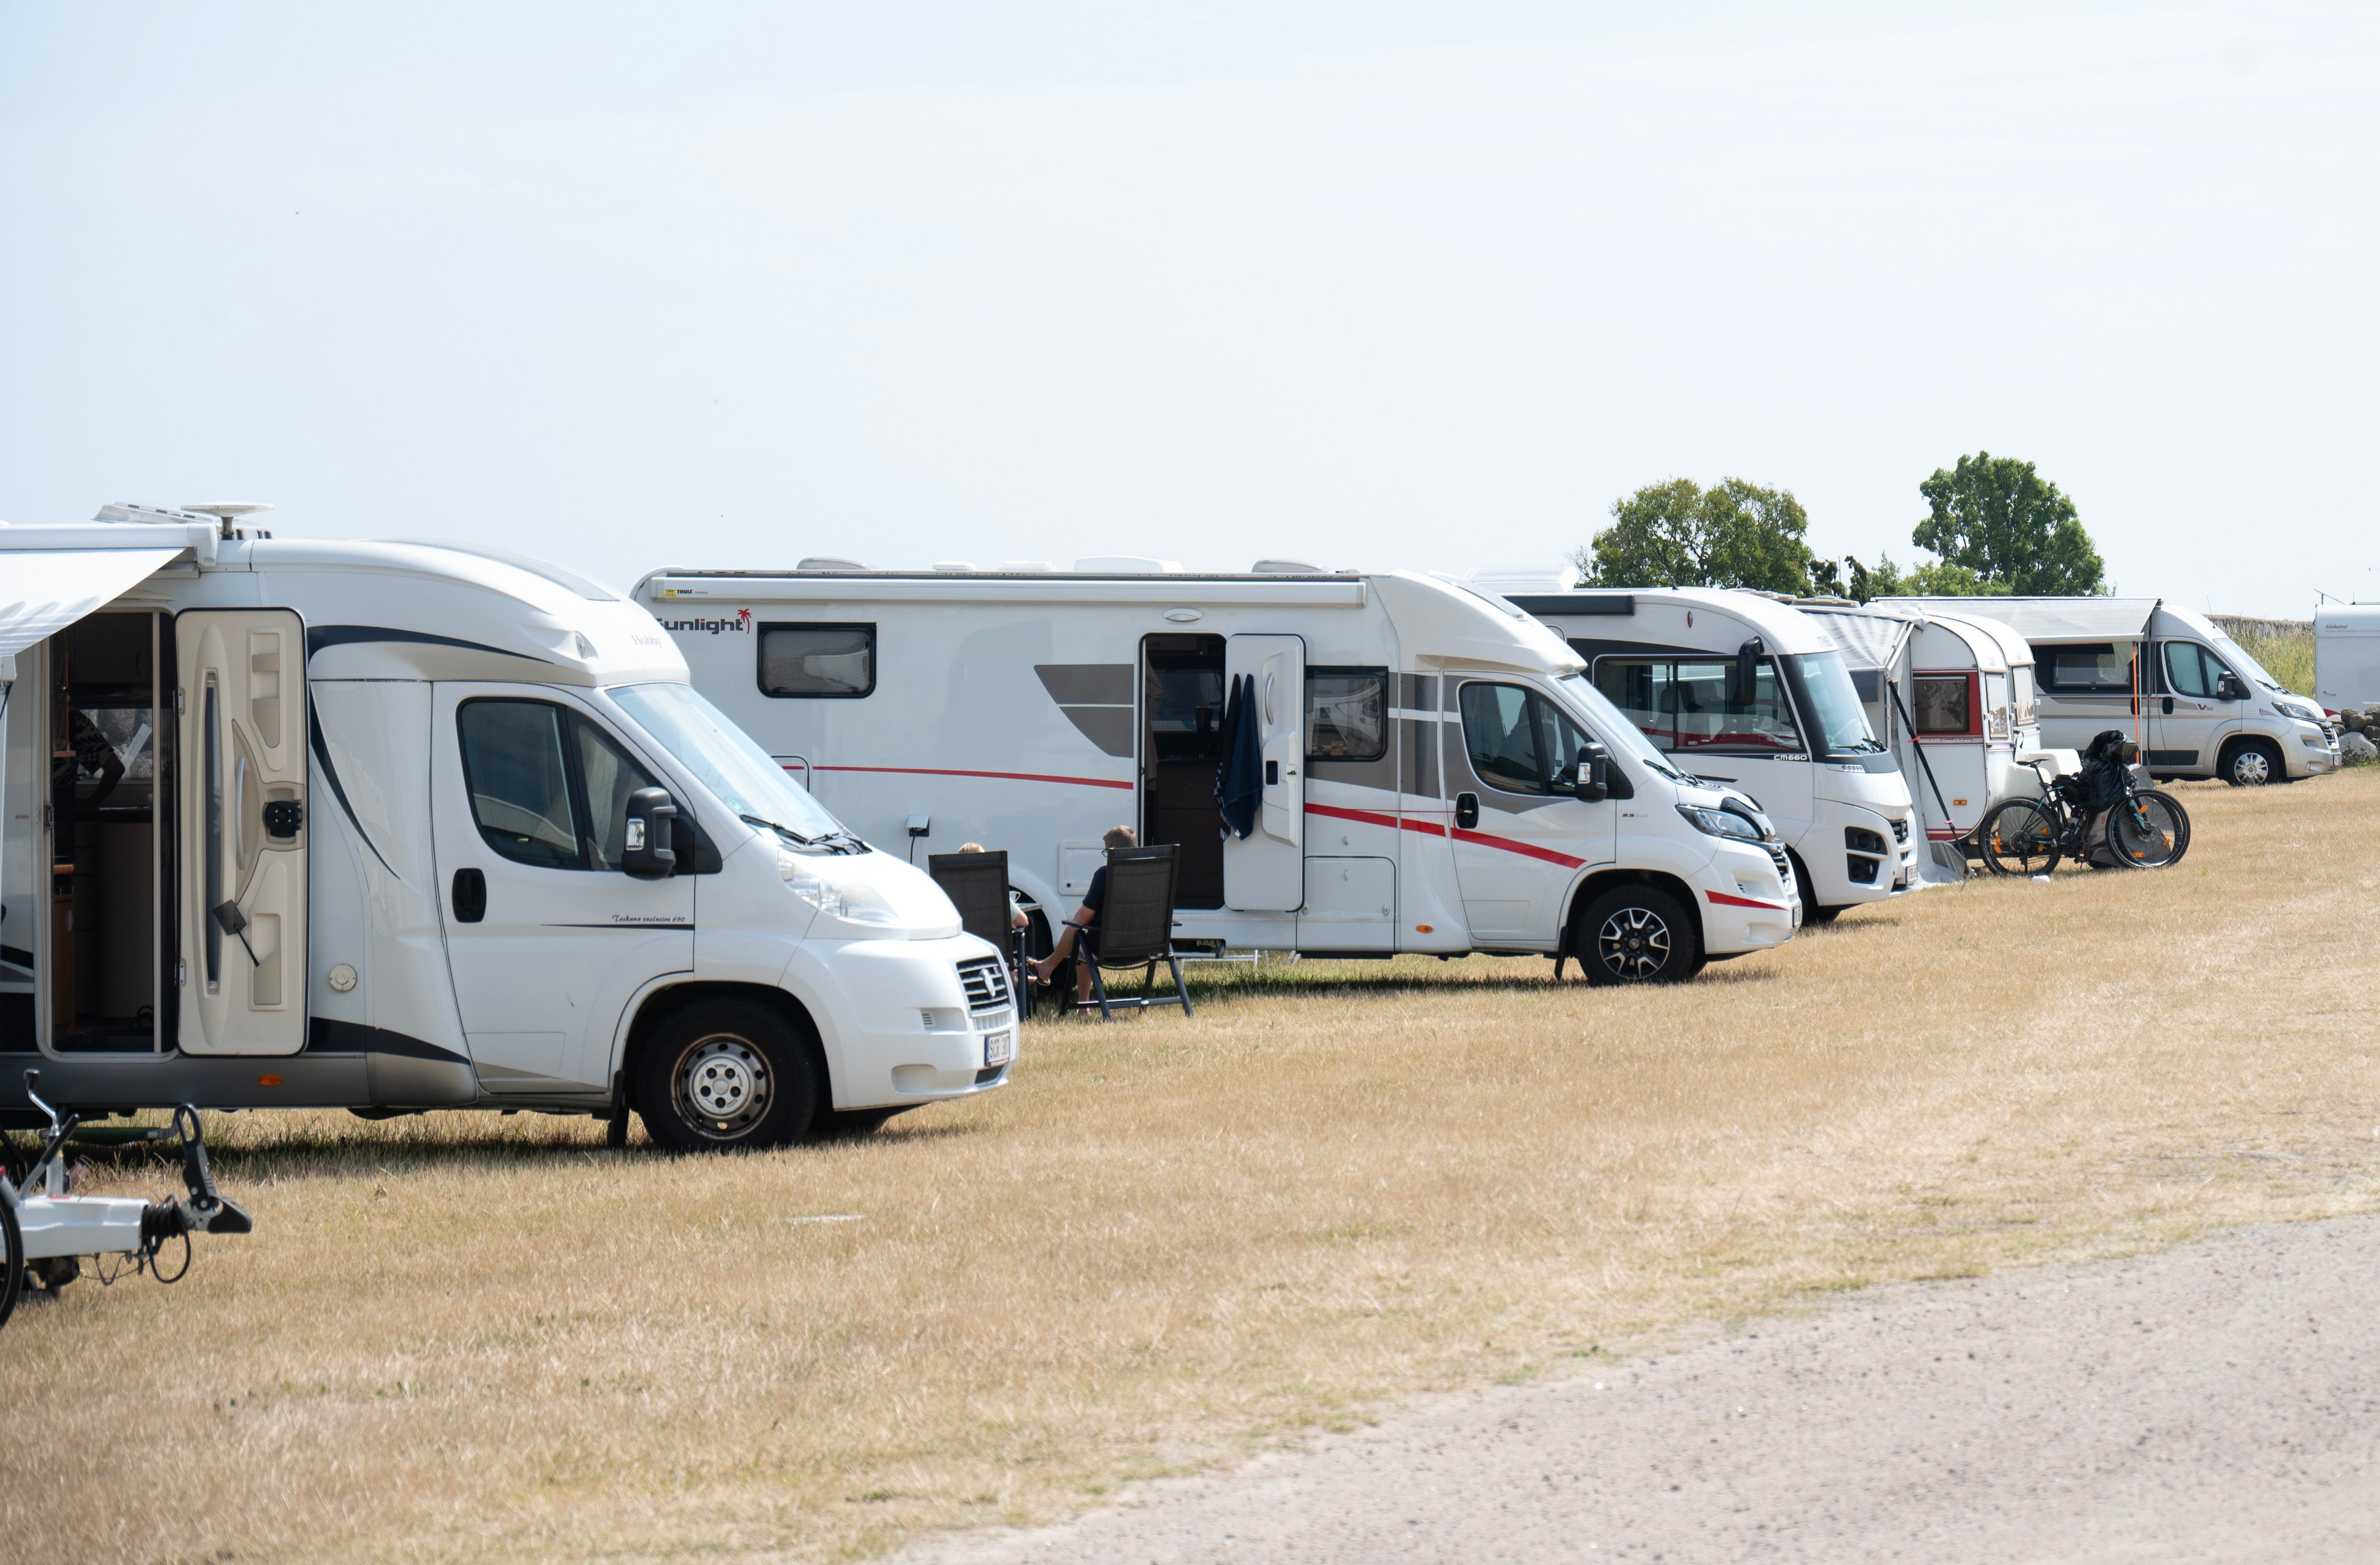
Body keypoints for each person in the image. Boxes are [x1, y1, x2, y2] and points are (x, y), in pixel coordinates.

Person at [1030, 824, 1135, 1007]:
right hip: (1148, 948)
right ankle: (1047, 967)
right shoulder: (1153, 871)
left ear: (1114, 850)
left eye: (1106, 852)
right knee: (1080, 919)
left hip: (1110, 948)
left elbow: (1084, 919)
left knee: (1080, 938)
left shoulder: (1105, 874)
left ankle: (1082, 1005)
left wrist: (1081, 913)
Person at [957, 842, 1030, 932]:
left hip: (962, 945)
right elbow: (1023, 921)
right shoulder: (995, 891)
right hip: (994, 945)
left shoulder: (950, 894)